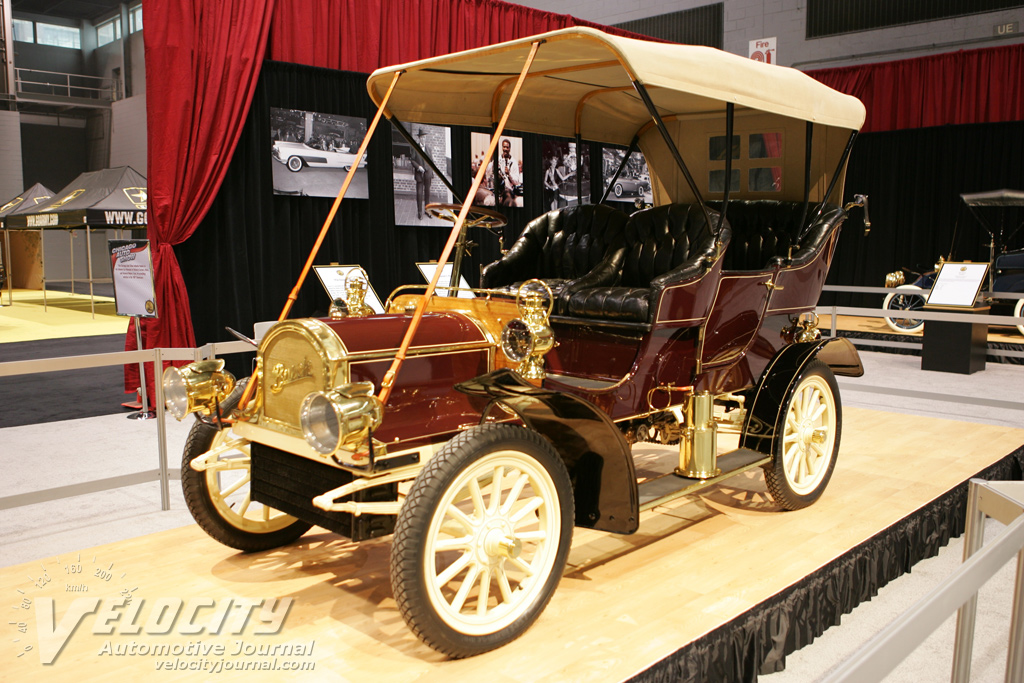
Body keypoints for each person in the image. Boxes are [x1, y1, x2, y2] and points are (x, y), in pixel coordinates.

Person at [496, 138, 521, 207]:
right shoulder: (497, 160)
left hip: (509, 191)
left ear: (510, 148)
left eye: (507, 147)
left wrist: (509, 174)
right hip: (498, 192)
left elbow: (516, 182)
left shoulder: (514, 162)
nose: (505, 149)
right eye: (504, 147)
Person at [413, 154, 433, 219]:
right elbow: (412, 160)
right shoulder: (415, 148)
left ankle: (427, 211)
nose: (423, 142)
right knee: (419, 193)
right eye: (421, 142)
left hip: (427, 175)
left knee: (428, 193)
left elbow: (431, 161)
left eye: (424, 142)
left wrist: (431, 173)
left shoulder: (428, 149)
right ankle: (419, 212)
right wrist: (418, 167)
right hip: (419, 175)